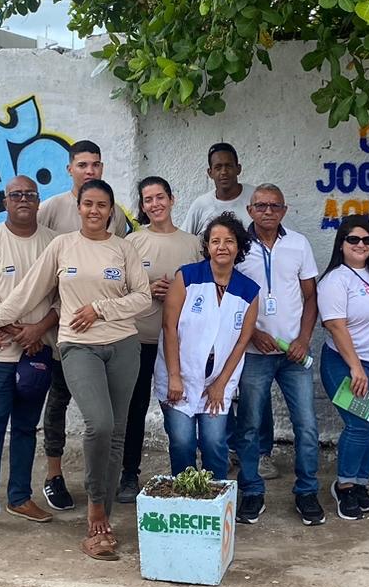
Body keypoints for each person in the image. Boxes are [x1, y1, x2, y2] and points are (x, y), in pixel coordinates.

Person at [0, 179, 153, 560]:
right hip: (78, 347)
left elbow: (142, 298)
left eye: (102, 205)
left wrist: (101, 309)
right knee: (99, 423)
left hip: (124, 346)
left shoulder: (123, 249)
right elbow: (29, 291)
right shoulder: (62, 246)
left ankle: (103, 523)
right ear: (78, 207)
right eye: (88, 204)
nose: (95, 211)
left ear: (112, 210)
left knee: (117, 433)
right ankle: (95, 506)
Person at [34, 139, 133, 512]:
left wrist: (106, 307)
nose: (89, 170)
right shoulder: (51, 209)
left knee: (107, 417)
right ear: (69, 169)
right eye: (82, 165)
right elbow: (40, 266)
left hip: (102, 325)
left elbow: (118, 265)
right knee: (58, 398)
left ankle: (106, 489)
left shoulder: (115, 214)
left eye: (95, 165)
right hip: (59, 324)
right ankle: (54, 474)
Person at [0, 175, 60, 539]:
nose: (23, 199)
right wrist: (17, 330)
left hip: (38, 352)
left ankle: (19, 497)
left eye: (29, 194)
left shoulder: (54, 243)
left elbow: (61, 296)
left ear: (38, 201)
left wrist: (38, 330)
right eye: (15, 194)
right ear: (4, 202)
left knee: (25, 428)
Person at [234, 184, 324, 525]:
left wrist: (303, 338)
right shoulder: (239, 246)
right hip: (255, 351)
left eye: (274, 206)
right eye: (261, 205)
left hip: (293, 354)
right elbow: (230, 297)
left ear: (284, 210)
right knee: (249, 426)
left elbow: (311, 297)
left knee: (307, 425)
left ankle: (307, 491)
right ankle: (252, 491)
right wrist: (252, 333)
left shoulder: (298, 244)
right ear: (250, 210)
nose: (268, 211)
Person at [156, 215, 262, 503]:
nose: (222, 247)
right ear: (207, 246)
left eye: (229, 241)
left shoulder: (249, 290)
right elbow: (169, 327)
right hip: (179, 375)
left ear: (239, 246)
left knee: (215, 443)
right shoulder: (187, 277)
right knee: (182, 442)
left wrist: (221, 384)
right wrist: (175, 376)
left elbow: (242, 341)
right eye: (215, 241)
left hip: (219, 381)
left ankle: (217, 504)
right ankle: (185, 502)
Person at [119, 177, 201, 503]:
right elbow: (117, 289)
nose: (155, 204)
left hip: (178, 343)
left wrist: (179, 293)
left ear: (172, 198)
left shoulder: (193, 243)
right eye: (148, 199)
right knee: (134, 409)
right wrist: (148, 291)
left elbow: (204, 290)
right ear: (142, 206)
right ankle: (128, 474)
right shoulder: (132, 242)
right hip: (138, 337)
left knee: (179, 409)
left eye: (160, 197)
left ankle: (186, 475)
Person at [317, 214, 369, 522]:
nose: (361, 244)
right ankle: (345, 485)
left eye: (367, 239)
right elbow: (336, 327)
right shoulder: (335, 280)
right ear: (341, 244)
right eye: (353, 239)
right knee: (359, 425)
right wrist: (356, 367)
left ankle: (362, 483)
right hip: (347, 365)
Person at [181, 142, 247, 234]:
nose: (224, 172)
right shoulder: (201, 205)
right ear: (210, 173)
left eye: (228, 166)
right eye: (218, 167)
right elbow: (184, 240)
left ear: (238, 169)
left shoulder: (255, 199)